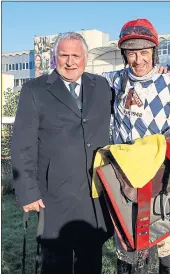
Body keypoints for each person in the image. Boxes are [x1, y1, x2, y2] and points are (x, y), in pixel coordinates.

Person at [102, 18, 170, 274]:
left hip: (160, 181)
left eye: (144, 53)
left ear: (153, 53)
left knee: (166, 249)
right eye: (132, 53)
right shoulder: (113, 81)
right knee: (127, 248)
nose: (139, 60)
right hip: (124, 180)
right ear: (124, 55)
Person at [11, 32, 114, 274]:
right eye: (63, 55)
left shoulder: (101, 85)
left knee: (91, 259)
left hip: (95, 193)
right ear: (54, 57)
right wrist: (27, 191)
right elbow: (22, 144)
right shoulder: (34, 90)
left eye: (75, 55)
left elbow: (134, 83)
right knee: (55, 261)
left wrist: (156, 73)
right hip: (54, 194)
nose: (70, 62)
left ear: (85, 58)